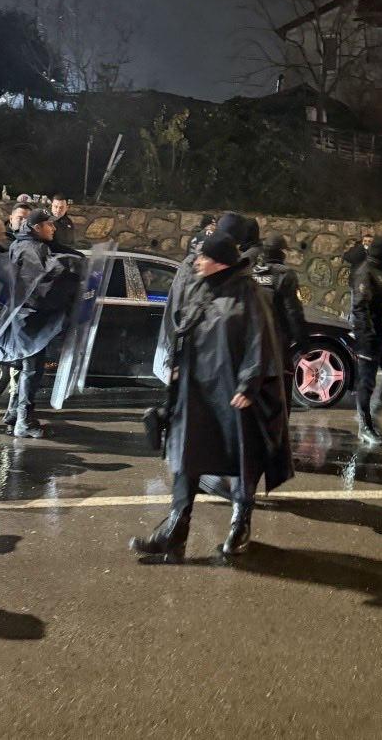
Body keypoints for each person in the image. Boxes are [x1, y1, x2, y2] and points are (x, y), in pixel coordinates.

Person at [129, 232, 292, 561]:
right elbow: (184, 328)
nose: (197, 262)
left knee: (243, 459)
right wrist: (176, 366)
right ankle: (175, 529)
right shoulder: (199, 285)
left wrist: (248, 384)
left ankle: (240, 524)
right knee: (186, 457)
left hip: (232, 394)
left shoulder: (249, 293)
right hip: (197, 390)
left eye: (203, 257)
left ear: (219, 262)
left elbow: (260, 340)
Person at [0, 209, 80, 439]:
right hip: (31, 318)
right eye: (48, 225)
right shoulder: (34, 248)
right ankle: (23, 420)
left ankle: (14, 413)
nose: (53, 228)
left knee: (25, 366)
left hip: (21, 315)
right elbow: (42, 282)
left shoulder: (20, 244)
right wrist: (69, 271)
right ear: (36, 228)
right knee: (32, 368)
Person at [352, 235, 382, 446]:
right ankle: (365, 426)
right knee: (366, 382)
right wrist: (368, 335)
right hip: (370, 338)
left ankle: (371, 411)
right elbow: (360, 307)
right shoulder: (366, 272)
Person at [251, 233, 309, 411]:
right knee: (281, 389)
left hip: (252, 341)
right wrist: (302, 341)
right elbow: (293, 311)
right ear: (282, 252)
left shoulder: (253, 273)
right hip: (277, 341)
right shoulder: (285, 275)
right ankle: (279, 433)